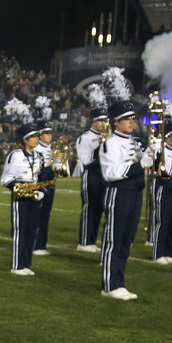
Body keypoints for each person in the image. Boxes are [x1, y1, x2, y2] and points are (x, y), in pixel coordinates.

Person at [98, 86, 145, 300]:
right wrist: (139, 166)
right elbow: (111, 173)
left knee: (127, 240)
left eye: (132, 118)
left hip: (135, 193)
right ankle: (110, 285)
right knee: (114, 240)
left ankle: (119, 281)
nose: (131, 122)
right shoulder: (110, 143)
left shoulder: (136, 143)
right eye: (126, 119)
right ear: (116, 122)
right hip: (119, 193)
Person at [143, 99, 172, 265]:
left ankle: (170, 252)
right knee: (163, 221)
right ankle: (159, 253)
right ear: (167, 138)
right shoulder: (160, 149)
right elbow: (164, 169)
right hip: (164, 188)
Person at [0, 121, 44, 275]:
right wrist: (22, 190)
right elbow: (6, 178)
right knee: (21, 231)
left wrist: (42, 190)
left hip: (35, 196)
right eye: (33, 136)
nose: (37, 139)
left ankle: (26, 264)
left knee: (32, 231)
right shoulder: (16, 155)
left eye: (37, 136)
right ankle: (17, 265)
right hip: (20, 197)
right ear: (25, 139)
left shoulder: (39, 156)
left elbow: (39, 177)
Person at [74, 84, 108, 252]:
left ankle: (92, 240)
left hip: (105, 175)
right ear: (93, 122)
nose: (103, 123)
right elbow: (85, 160)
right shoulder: (85, 138)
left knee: (100, 208)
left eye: (105, 120)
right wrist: (100, 147)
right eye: (100, 120)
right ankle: (84, 241)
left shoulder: (108, 137)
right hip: (91, 174)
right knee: (89, 208)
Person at [32, 123, 56, 254]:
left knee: (46, 215)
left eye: (50, 133)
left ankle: (41, 245)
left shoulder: (51, 148)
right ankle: (36, 244)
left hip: (50, 183)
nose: (49, 136)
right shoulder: (36, 149)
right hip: (40, 182)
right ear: (40, 135)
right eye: (46, 133)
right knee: (38, 214)